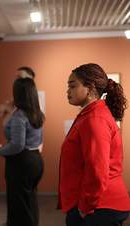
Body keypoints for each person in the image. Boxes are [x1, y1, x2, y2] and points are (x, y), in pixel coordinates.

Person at [59, 63, 130, 226]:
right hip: (97, 203)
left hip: (99, 206)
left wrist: (85, 207)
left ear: (90, 88)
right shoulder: (90, 115)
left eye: (72, 86)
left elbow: (97, 170)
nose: (67, 91)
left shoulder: (95, 119)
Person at [0, 77, 45, 226]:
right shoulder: (37, 113)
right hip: (35, 160)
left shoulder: (20, 116)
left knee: (19, 205)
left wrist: (1, 150)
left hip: (21, 162)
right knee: (29, 201)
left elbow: (17, 145)